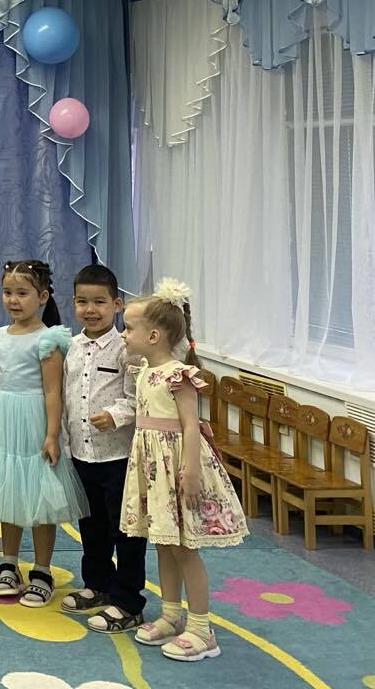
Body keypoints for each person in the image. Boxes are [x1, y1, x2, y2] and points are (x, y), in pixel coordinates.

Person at [121, 279, 247, 662]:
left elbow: (191, 426)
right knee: (163, 543)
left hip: (177, 467)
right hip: (153, 470)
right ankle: (171, 613)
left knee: (185, 548)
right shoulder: (144, 371)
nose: (123, 335)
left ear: (154, 335)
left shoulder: (178, 375)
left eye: (128, 328)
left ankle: (201, 628)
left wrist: (190, 471)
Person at [0, 260, 88, 607]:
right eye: (7, 292)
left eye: (22, 293)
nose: (13, 300)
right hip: (2, 417)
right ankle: (8, 564)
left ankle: (42, 570)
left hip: (33, 420)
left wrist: (52, 434)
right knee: (7, 493)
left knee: (40, 496)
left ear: (41, 296)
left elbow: (53, 392)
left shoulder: (47, 339)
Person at [59, 263, 147, 634]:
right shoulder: (70, 347)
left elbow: (138, 399)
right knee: (90, 526)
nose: (90, 309)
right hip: (81, 455)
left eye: (99, 302)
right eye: (82, 302)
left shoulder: (127, 349)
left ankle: (128, 602)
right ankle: (97, 585)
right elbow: (63, 398)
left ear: (117, 304)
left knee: (125, 531)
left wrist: (114, 415)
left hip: (117, 457)